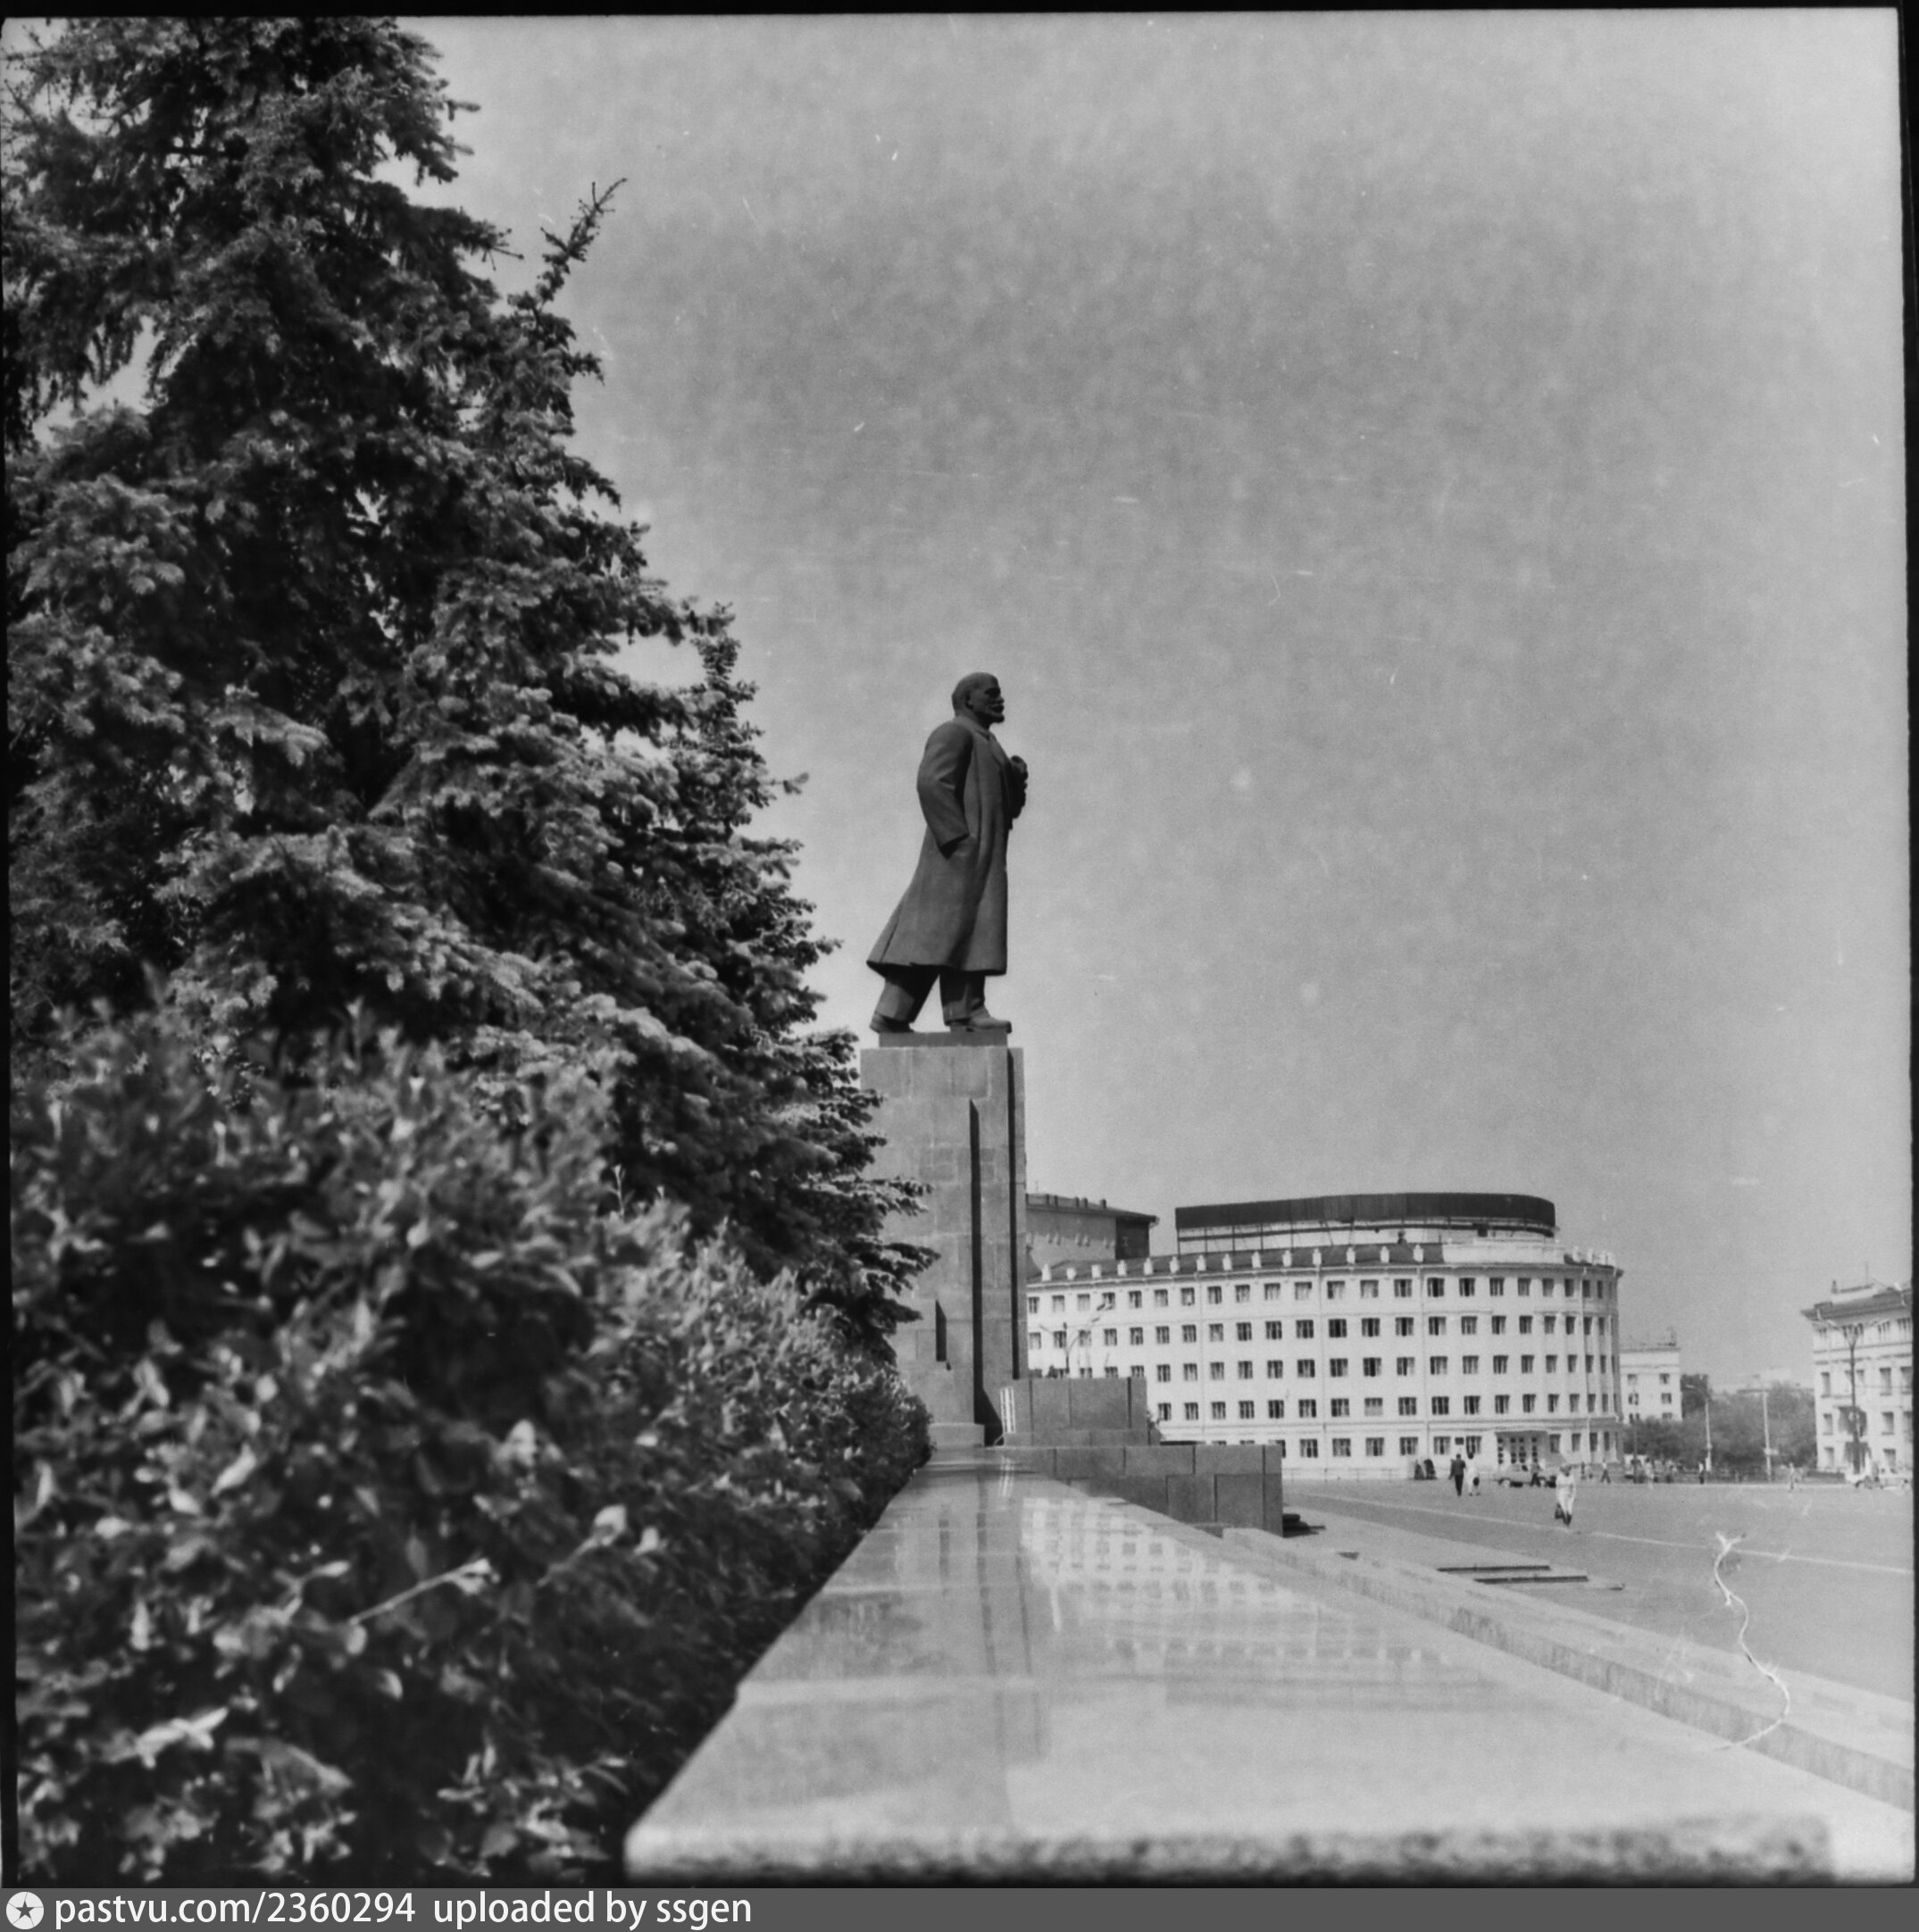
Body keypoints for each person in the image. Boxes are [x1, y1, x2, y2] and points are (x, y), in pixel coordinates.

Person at [869, 674, 1029, 1034]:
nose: (1000, 700)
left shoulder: (989, 744)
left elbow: (1002, 807)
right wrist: (957, 838)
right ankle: (895, 1012)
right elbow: (932, 782)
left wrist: (1014, 782)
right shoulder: (954, 733)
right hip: (957, 852)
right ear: (968, 700)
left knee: (970, 931)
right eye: (991, 694)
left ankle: (963, 1010)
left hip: (983, 854)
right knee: (933, 933)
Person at [1553, 1464, 1578, 1528]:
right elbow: (1557, 1488)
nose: (1566, 1471)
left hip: (1570, 1495)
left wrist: (1574, 1495)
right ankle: (1566, 1525)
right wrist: (1557, 1498)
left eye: (1567, 1469)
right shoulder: (1559, 1477)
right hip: (1561, 1494)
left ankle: (1568, 1523)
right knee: (1564, 1509)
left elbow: (1574, 1487)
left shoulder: (1572, 1477)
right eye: (1564, 1469)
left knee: (1570, 1510)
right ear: (1562, 1470)